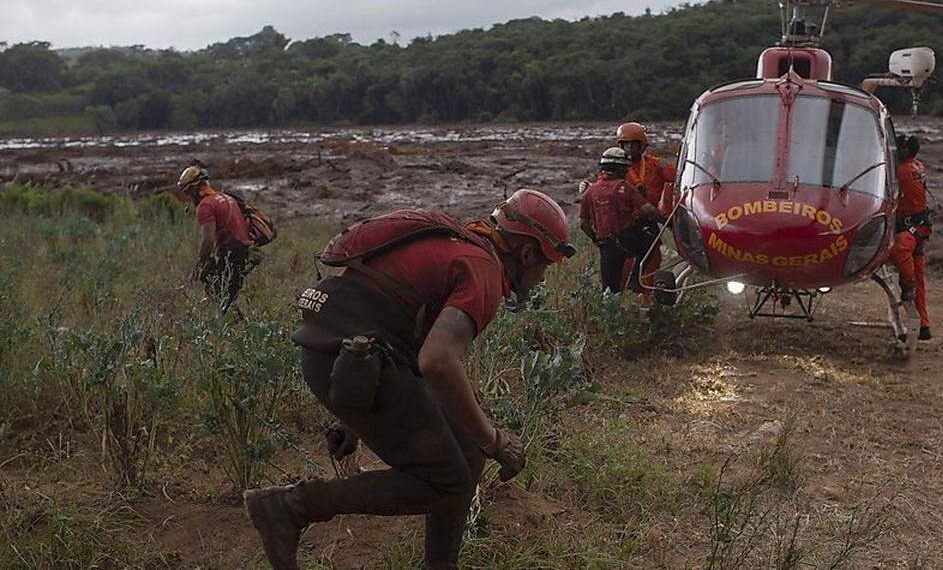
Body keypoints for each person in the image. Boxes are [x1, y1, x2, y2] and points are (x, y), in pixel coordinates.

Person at [243, 189, 575, 570]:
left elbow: (392, 321)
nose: (541, 279)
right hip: (351, 360)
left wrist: (354, 415)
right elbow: (437, 361)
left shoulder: (461, 244)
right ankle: (290, 507)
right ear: (527, 254)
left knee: (466, 451)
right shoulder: (482, 268)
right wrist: (495, 439)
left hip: (344, 356)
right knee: (447, 479)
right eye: (544, 267)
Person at [580, 147, 666, 293]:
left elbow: (583, 223)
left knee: (609, 290)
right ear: (621, 169)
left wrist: (596, 239)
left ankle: (610, 312)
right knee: (652, 239)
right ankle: (636, 278)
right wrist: (667, 221)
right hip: (627, 241)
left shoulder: (590, 192)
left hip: (606, 246)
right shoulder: (625, 188)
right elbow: (648, 210)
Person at [178, 165, 259, 312]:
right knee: (226, 297)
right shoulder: (226, 198)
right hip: (246, 251)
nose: (189, 197)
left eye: (188, 192)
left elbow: (208, 241)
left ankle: (233, 326)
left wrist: (196, 271)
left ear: (194, 189)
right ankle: (238, 323)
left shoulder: (206, 205)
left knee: (222, 297)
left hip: (232, 253)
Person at [615, 122, 677, 293]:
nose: (629, 149)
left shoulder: (656, 164)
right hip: (625, 224)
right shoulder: (614, 168)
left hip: (650, 221)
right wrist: (586, 186)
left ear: (642, 146)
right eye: (626, 144)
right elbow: (601, 186)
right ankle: (616, 301)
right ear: (620, 146)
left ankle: (646, 297)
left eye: (633, 144)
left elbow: (678, 176)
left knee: (653, 261)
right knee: (623, 264)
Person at [888, 134, 933, 340]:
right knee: (919, 276)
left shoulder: (902, 171)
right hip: (920, 226)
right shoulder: (917, 166)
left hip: (913, 227)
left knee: (900, 250)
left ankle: (907, 287)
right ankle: (923, 325)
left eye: (899, 149)